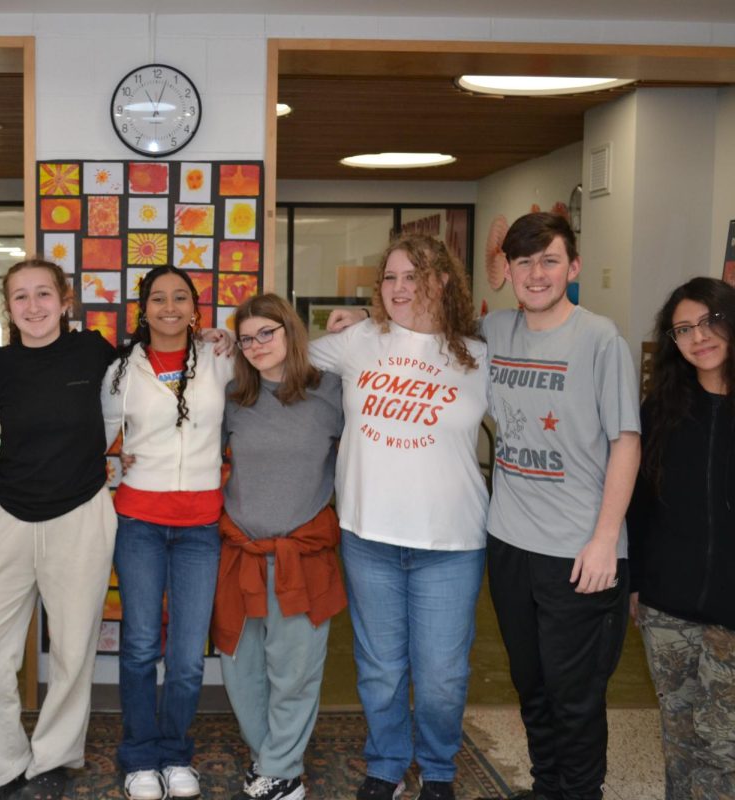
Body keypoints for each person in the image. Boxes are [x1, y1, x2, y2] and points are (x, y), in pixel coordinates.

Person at [309, 234, 489, 800]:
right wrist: (224, 339)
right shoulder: (359, 340)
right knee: (380, 670)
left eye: (415, 276)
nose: (401, 288)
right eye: (390, 277)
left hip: (452, 542)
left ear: (443, 282)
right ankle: (386, 762)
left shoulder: (479, 357)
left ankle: (437, 769)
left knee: (441, 677)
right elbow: (281, 356)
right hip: (369, 538)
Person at [481, 213, 641, 800]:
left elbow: (626, 441)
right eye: (523, 262)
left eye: (549, 260)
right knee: (532, 685)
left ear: (573, 268)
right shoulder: (495, 331)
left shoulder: (601, 338)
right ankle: (548, 786)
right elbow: (425, 334)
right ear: (508, 271)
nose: (536, 273)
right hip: (510, 545)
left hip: (579, 551)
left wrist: (605, 538)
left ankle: (579, 792)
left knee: (576, 696)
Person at [0, 258, 118, 800]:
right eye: (20, 297)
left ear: (65, 300)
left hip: (82, 512)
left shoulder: (95, 352)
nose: (33, 306)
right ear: (8, 309)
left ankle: (53, 759)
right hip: (9, 514)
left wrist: (213, 341)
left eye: (43, 294)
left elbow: (156, 380)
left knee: (72, 649)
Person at [100, 265, 233, 800]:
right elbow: (100, 445)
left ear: (196, 308)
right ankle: (138, 757)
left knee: (185, 655)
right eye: (159, 298)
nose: (170, 307)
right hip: (139, 524)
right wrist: (112, 464)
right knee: (137, 645)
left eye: (181, 297)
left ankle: (176, 753)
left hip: (201, 525)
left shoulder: (221, 360)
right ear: (144, 308)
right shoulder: (120, 373)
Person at [212, 294, 346, 800]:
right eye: (246, 338)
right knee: (240, 668)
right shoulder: (232, 398)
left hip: (301, 556)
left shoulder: (331, 391)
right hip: (241, 554)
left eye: (267, 332)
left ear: (290, 331)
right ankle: (270, 759)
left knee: (294, 671)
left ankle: (281, 769)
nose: (256, 345)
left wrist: (361, 320)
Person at [627, 277, 735, 800]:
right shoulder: (661, 410)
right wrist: (636, 585)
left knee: (724, 744)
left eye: (711, 321)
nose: (700, 337)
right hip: (668, 608)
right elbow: (641, 506)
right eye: (683, 329)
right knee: (681, 737)